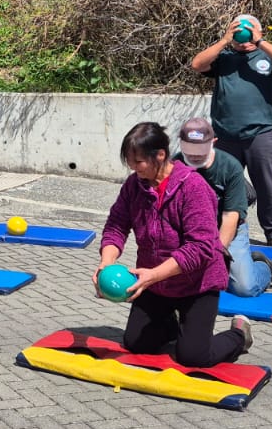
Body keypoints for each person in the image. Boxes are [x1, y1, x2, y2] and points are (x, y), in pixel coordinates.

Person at [95, 121, 252, 367]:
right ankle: (172, 324)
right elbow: (116, 225)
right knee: (136, 343)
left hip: (197, 285)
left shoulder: (193, 187)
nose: (133, 168)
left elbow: (200, 248)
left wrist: (153, 275)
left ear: (160, 155)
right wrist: (106, 263)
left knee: (193, 357)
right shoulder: (134, 186)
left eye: (138, 161)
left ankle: (239, 336)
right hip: (156, 284)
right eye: (130, 162)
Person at [191, 14, 272, 247]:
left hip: (260, 134)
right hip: (225, 135)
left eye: (248, 30)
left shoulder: (267, 57)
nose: (244, 35)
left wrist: (259, 41)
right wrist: (224, 40)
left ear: (258, 31)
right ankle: (223, 230)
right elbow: (197, 64)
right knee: (223, 184)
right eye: (239, 30)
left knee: (265, 184)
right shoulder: (223, 59)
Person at [173, 116, 272, 297]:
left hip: (228, 229)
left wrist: (215, 254)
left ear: (213, 142)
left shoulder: (229, 167)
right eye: (189, 149)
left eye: (200, 149)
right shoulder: (175, 165)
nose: (194, 155)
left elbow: (230, 217)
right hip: (191, 229)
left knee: (244, 288)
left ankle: (264, 267)